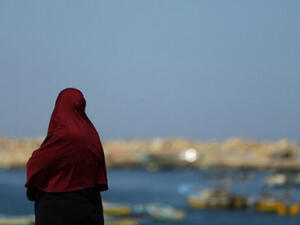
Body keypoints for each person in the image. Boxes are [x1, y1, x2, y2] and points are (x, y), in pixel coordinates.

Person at [24, 87, 109, 225]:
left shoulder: (63, 135)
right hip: (90, 207)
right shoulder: (92, 135)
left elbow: (36, 165)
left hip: (57, 209)